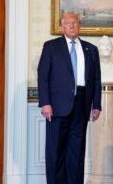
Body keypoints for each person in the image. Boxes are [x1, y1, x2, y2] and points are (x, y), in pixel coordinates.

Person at [37, 11, 102, 184]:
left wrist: (97, 104)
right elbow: (43, 76)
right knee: (55, 152)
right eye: (67, 23)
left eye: (75, 23)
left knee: (77, 151)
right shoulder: (51, 46)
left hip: (82, 105)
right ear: (62, 27)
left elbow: (96, 79)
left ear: (80, 26)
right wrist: (45, 103)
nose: (72, 26)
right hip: (57, 106)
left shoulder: (91, 49)